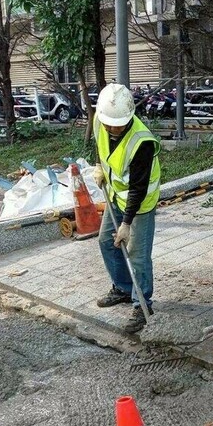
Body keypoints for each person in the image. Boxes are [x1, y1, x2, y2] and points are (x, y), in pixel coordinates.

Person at [92, 83, 161, 334]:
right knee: (105, 241)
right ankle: (122, 287)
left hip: (139, 203)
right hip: (115, 195)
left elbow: (138, 188)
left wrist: (126, 224)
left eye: (118, 124)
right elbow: (100, 146)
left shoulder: (141, 142)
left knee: (137, 255)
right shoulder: (100, 120)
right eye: (109, 124)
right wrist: (98, 166)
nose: (113, 128)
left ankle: (142, 304)